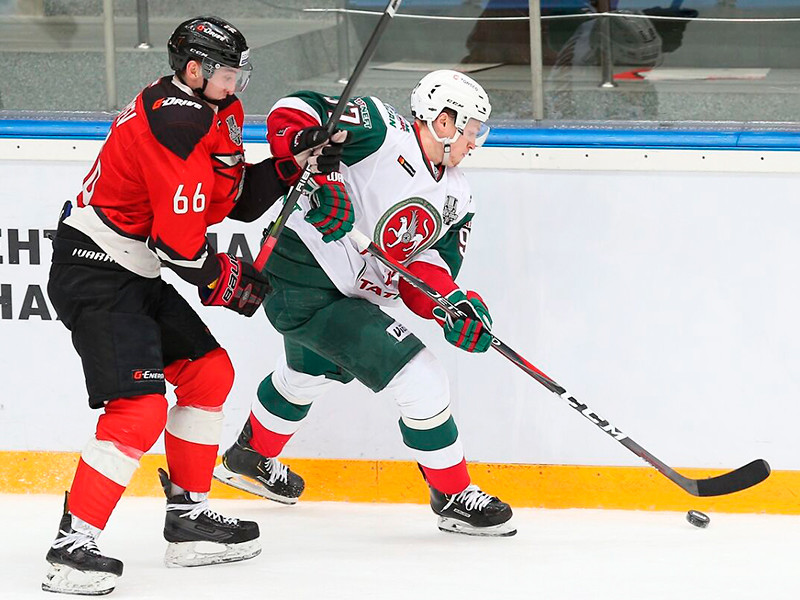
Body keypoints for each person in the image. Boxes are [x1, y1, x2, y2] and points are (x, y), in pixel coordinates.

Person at [42, 16, 344, 596]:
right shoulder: (174, 125)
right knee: (139, 410)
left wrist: (294, 163)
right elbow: (178, 246)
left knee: (209, 372)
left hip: (134, 269)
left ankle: (188, 519)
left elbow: (234, 202)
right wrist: (220, 277)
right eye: (227, 73)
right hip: (95, 270)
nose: (237, 83)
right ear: (193, 69)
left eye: (238, 73)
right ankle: (71, 545)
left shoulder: (214, 109)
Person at [214, 70, 516, 537]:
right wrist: (319, 170)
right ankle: (453, 495)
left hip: (346, 293)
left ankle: (249, 457)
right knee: (421, 377)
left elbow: (425, 269)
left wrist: (450, 304)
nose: (475, 141)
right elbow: (293, 109)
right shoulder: (380, 129)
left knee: (305, 375)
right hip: (303, 279)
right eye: (472, 129)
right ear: (443, 121)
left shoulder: (459, 196)